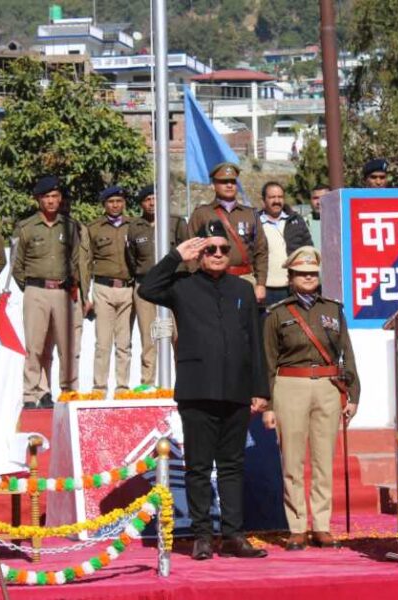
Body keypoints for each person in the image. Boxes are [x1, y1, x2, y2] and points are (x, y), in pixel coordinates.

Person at [137, 220, 269, 560]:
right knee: (197, 466)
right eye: (210, 249)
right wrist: (176, 256)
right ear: (199, 254)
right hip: (197, 390)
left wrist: (260, 389)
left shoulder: (242, 289)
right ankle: (202, 536)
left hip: (237, 390)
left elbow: (254, 341)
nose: (217, 254)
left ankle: (234, 535)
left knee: (232, 466)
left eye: (223, 249)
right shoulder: (182, 284)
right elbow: (147, 288)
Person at [261, 246, 359, 551]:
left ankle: (321, 525)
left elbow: (347, 355)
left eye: (312, 274)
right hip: (290, 385)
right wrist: (268, 404)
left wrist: (353, 394)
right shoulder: (276, 314)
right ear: (290, 277)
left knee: (322, 460)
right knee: (292, 460)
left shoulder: (333, 309)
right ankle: (297, 526)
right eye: (302, 274)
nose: (308, 278)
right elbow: (267, 362)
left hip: (329, 386)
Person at [12, 176, 91, 409]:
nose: (51, 201)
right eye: (46, 197)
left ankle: (68, 390)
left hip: (63, 292)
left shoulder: (70, 226)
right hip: (36, 291)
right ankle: (34, 392)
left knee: (67, 346)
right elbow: (17, 264)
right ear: (39, 199)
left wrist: (76, 288)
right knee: (36, 346)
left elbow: (77, 260)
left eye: (55, 196)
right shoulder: (26, 227)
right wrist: (30, 288)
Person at [126, 184, 190, 387]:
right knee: (149, 337)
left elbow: (188, 252)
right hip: (146, 288)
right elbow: (132, 259)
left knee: (179, 338)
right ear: (141, 203)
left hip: (174, 286)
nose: (152, 203)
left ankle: (184, 384)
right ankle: (148, 383)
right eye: (147, 200)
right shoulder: (135, 227)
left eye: (155, 198)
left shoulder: (176, 223)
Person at [188, 162, 269, 303]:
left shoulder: (250, 214)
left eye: (233, 181)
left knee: (244, 322)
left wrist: (261, 283)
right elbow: (191, 249)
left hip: (245, 278)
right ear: (213, 185)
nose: (229, 185)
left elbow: (261, 250)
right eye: (224, 182)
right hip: (211, 280)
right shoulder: (202, 213)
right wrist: (196, 281)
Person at [87, 185, 136, 393]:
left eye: (119, 201)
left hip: (128, 288)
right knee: (103, 343)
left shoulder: (134, 226)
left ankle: (122, 387)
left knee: (124, 343)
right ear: (104, 204)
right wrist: (85, 295)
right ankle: (99, 387)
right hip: (103, 288)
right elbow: (86, 262)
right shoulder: (94, 228)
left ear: (124, 203)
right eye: (111, 202)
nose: (115, 205)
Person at [257, 181, 313, 307]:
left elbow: (308, 249)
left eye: (280, 197)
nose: (276, 201)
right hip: (265, 288)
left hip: (291, 286)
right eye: (272, 197)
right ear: (263, 200)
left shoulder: (296, 220)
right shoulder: (255, 223)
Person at [305, 184, 330, 251]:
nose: (319, 202)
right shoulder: (303, 223)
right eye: (315, 198)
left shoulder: (341, 223)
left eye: (323, 198)